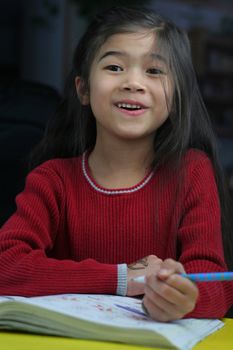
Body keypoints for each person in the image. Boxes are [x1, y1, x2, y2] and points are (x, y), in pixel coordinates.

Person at [0, 6, 232, 322]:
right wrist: (125, 277)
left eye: (154, 71)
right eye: (114, 67)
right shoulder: (53, 179)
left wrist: (185, 298)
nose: (133, 82)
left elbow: (215, 285)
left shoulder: (191, 171)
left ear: (175, 96)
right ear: (83, 89)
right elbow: (6, 266)